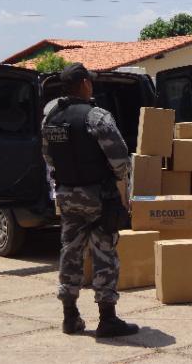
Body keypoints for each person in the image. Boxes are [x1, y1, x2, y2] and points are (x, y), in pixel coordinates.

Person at [42, 63, 139, 337]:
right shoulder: (97, 116)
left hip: (67, 195)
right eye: (90, 81)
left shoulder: (50, 116)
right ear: (84, 83)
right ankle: (107, 319)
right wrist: (122, 189)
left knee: (70, 252)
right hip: (98, 197)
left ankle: (70, 317)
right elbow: (120, 159)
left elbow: (48, 157)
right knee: (104, 253)